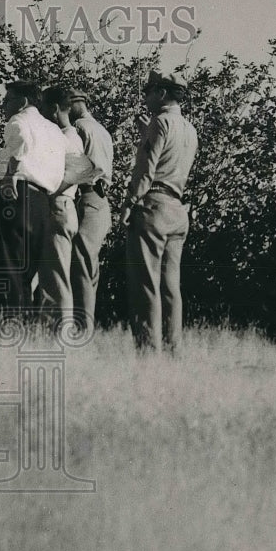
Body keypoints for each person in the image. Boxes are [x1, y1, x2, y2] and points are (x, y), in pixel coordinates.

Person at [120, 71, 198, 354]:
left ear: (162, 93)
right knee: (170, 286)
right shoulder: (189, 129)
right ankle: (173, 349)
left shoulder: (159, 123)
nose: (145, 96)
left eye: (148, 90)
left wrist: (129, 203)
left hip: (153, 207)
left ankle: (148, 353)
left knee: (145, 285)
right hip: (177, 209)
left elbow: (146, 171)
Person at [0, 80, 66, 319]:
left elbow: (20, 141)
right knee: (28, 270)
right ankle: (23, 322)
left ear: (22, 102)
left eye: (7, 100)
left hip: (16, 195)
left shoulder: (19, 121)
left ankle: (7, 325)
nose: (2, 105)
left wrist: (11, 174)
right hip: (42, 201)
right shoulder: (53, 130)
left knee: (7, 265)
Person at [38, 84, 102, 325]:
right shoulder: (66, 136)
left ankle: (61, 330)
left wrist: (52, 189)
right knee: (52, 273)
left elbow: (84, 169)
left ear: (54, 109)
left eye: (44, 108)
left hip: (60, 207)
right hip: (61, 207)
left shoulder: (69, 137)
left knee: (57, 276)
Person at [69, 89, 114, 333]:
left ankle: (83, 328)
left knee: (82, 263)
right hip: (99, 201)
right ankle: (84, 324)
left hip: (89, 196)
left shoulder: (80, 127)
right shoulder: (101, 129)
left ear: (76, 104)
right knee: (88, 264)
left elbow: (92, 170)